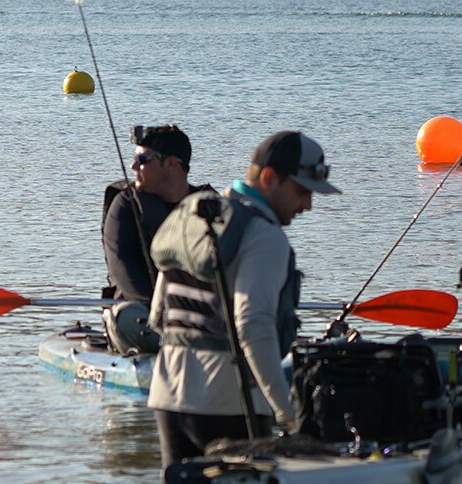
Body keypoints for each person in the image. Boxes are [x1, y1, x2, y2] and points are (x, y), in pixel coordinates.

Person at [146, 130, 342, 467]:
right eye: (302, 191)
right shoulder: (265, 237)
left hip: (168, 397)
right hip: (230, 404)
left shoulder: (193, 212)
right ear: (269, 178)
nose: (308, 204)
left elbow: (157, 316)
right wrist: (287, 413)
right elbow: (252, 326)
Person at [99, 125, 211, 355]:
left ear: (171, 164)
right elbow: (122, 269)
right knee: (125, 317)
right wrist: (161, 312)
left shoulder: (209, 206)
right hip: (143, 314)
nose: (133, 166)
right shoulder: (125, 206)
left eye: (142, 159)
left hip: (200, 316)